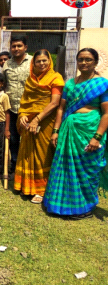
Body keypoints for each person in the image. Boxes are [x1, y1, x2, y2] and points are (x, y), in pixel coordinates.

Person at [44, 48, 108, 220]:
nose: (84, 63)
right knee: (65, 167)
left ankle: (85, 206)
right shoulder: (70, 84)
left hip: (89, 130)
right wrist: (55, 131)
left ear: (95, 62)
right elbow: (61, 109)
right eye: (81, 59)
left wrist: (97, 137)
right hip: (69, 131)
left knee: (87, 169)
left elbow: (107, 113)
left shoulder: (102, 84)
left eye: (88, 59)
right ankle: (62, 205)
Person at [14, 50, 64, 204]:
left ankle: (41, 190)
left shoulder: (55, 78)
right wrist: (22, 114)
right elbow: (25, 101)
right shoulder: (30, 80)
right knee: (28, 152)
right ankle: (26, 186)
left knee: (43, 154)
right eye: (38, 61)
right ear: (33, 63)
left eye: (45, 60)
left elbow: (55, 103)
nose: (42, 64)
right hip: (29, 121)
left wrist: (37, 119)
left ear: (49, 61)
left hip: (46, 121)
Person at [2, 35, 32, 176]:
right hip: (12, 109)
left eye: (19, 46)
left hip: (29, 110)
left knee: (28, 140)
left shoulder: (33, 61)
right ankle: (14, 166)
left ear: (25, 47)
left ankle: (27, 167)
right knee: (13, 139)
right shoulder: (6, 64)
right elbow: (3, 84)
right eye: (13, 46)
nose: (16, 48)